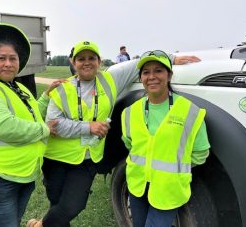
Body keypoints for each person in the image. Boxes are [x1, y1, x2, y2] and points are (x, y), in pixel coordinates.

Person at [26, 42, 201, 227]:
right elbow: (54, 126)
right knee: (57, 203)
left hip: (87, 158)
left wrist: (172, 58)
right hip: (56, 158)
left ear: (99, 61)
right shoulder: (62, 88)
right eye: (81, 59)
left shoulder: (110, 79)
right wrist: (88, 127)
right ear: (73, 62)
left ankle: (39, 225)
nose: (87, 62)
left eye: (92, 58)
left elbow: (138, 63)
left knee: (72, 205)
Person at [0, 23, 63, 227]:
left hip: (21, 175)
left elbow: (32, 112)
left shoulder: (18, 87)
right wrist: (46, 130)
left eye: (13, 58)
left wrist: (46, 96)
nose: (8, 63)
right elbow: (6, 126)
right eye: (1, 58)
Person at [121, 50, 210, 227]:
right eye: (146, 72)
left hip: (168, 190)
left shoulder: (189, 111)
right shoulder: (129, 113)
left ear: (169, 75)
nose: (152, 76)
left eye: (158, 71)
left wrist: (174, 166)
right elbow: (130, 143)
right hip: (137, 186)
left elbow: (201, 153)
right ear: (141, 78)